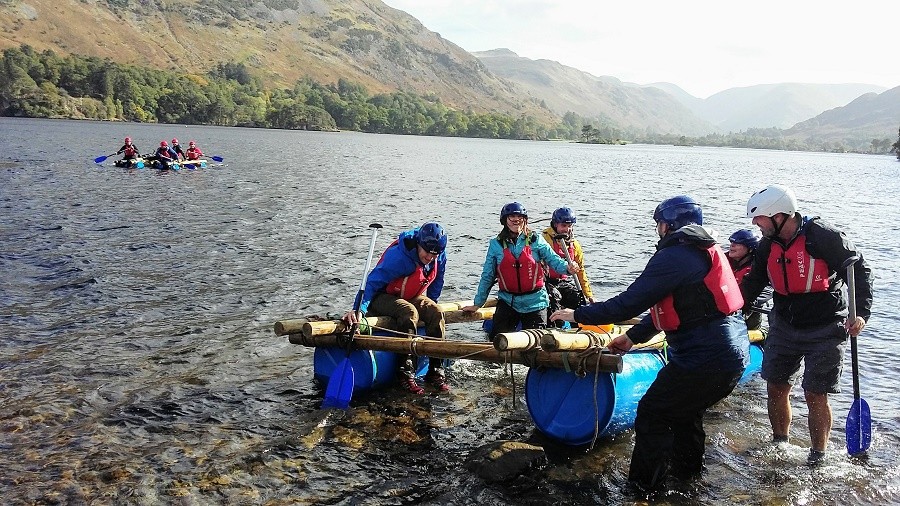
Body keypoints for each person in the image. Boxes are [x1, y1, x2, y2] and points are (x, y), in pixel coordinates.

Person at [550, 195, 749, 495]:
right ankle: (687, 478)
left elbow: (627, 304)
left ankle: (644, 490)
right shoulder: (701, 251)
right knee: (684, 412)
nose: (658, 229)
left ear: (669, 225)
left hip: (705, 358)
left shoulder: (675, 256)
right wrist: (631, 338)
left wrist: (577, 313)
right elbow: (675, 309)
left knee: (653, 412)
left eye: (659, 223)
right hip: (730, 352)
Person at [741, 184, 873, 465]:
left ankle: (818, 456)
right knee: (776, 386)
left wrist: (860, 313)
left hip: (826, 327)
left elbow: (859, 271)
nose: (755, 224)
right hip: (785, 324)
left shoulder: (824, 237)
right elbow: (753, 283)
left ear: (780, 216)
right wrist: (732, 307)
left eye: (760, 218)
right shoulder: (768, 246)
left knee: (815, 393)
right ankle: (780, 444)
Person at [343, 222, 450, 394]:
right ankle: (405, 372)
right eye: (427, 252)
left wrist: (430, 304)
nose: (430, 257)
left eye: (435, 254)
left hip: (410, 295)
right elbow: (372, 283)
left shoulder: (439, 255)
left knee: (436, 311)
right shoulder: (399, 258)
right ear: (418, 245)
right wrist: (359, 310)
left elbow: (437, 281)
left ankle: (436, 371)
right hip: (382, 297)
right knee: (408, 312)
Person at [462, 202, 579, 342]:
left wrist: (568, 267)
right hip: (508, 301)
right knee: (497, 341)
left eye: (519, 217)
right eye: (512, 217)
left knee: (536, 346)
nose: (516, 221)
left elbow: (554, 261)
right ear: (504, 220)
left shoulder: (536, 240)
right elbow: (487, 276)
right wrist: (477, 303)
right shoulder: (495, 245)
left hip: (536, 302)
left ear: (525, 220)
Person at [542, 207, 595, 311]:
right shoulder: (544, 240)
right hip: (545, 282)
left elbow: (580, 271)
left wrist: (588, 295)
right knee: (554, 299)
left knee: (578, 300)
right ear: (555, 224)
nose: (567, 229)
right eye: (563, 226)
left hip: (563, 282)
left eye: (570, 226)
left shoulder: (575, 245)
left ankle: (578, 323)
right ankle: (556, 323)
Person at [727, 229, 769, 330]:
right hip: (728, 306)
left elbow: (767, 289)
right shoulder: (723, 260)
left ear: (750, 249)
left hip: (749, 310)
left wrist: (748, 302)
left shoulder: (759, 268)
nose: (732, 245)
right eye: (731, 242)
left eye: (737, 243)